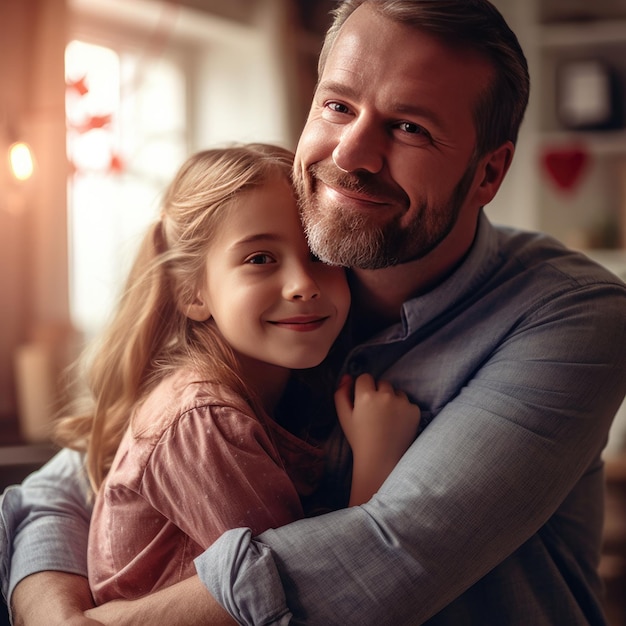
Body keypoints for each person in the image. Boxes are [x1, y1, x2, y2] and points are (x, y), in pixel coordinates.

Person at [3, 0, 626, 624]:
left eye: (409, 126)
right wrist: (54, 615)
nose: (351, 155)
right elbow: (71, 479)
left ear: (488, 172)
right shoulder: (293, 284)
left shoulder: (573, 316)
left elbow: (385, 556)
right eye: (337, 105)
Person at [31, 143, 421, 608]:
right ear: (192, 293)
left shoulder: (279, 395)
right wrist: (377, 465)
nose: (303, 284)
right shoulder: (201, 419)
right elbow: (310, 598)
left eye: (320, 254)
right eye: (260, 259)